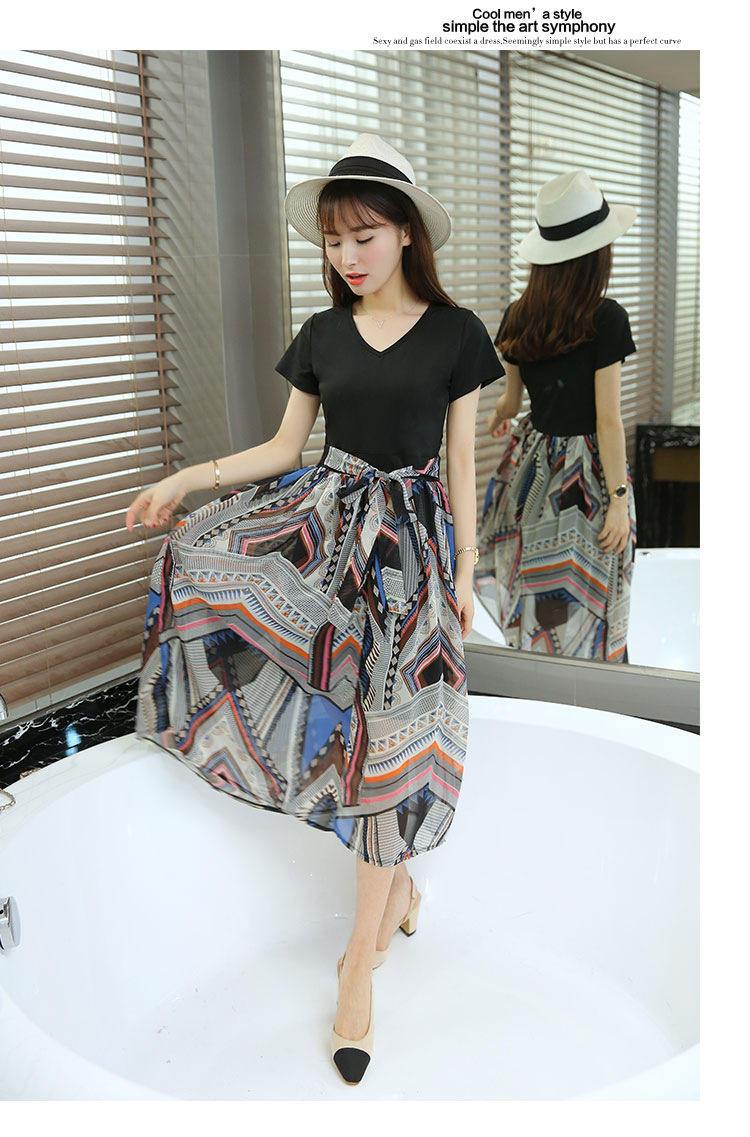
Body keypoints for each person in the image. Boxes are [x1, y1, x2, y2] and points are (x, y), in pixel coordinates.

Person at [125, 133, 503, 1085]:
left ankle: (355, 969)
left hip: (415, 558)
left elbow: (462, 463)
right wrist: (187, 479)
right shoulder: (323, 335)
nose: (347, 255)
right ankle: (395, 896)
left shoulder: (458, 334)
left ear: (406, 233)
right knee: (354, 734)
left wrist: (465, 573)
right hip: (327, 543)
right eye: (335, 240)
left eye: (364, 235)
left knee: (394, 743)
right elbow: (283, 449)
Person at [476, 169, 637, 661]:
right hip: (585, 477)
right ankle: (593, 682)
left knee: (542, 589)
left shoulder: (518, 314)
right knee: (594, 588)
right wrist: (618, 499)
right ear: (595, 253)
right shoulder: (606, 318)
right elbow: (607, 420)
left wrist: (498, 417)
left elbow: (512, 401)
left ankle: (542, 677)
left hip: (533, 471)